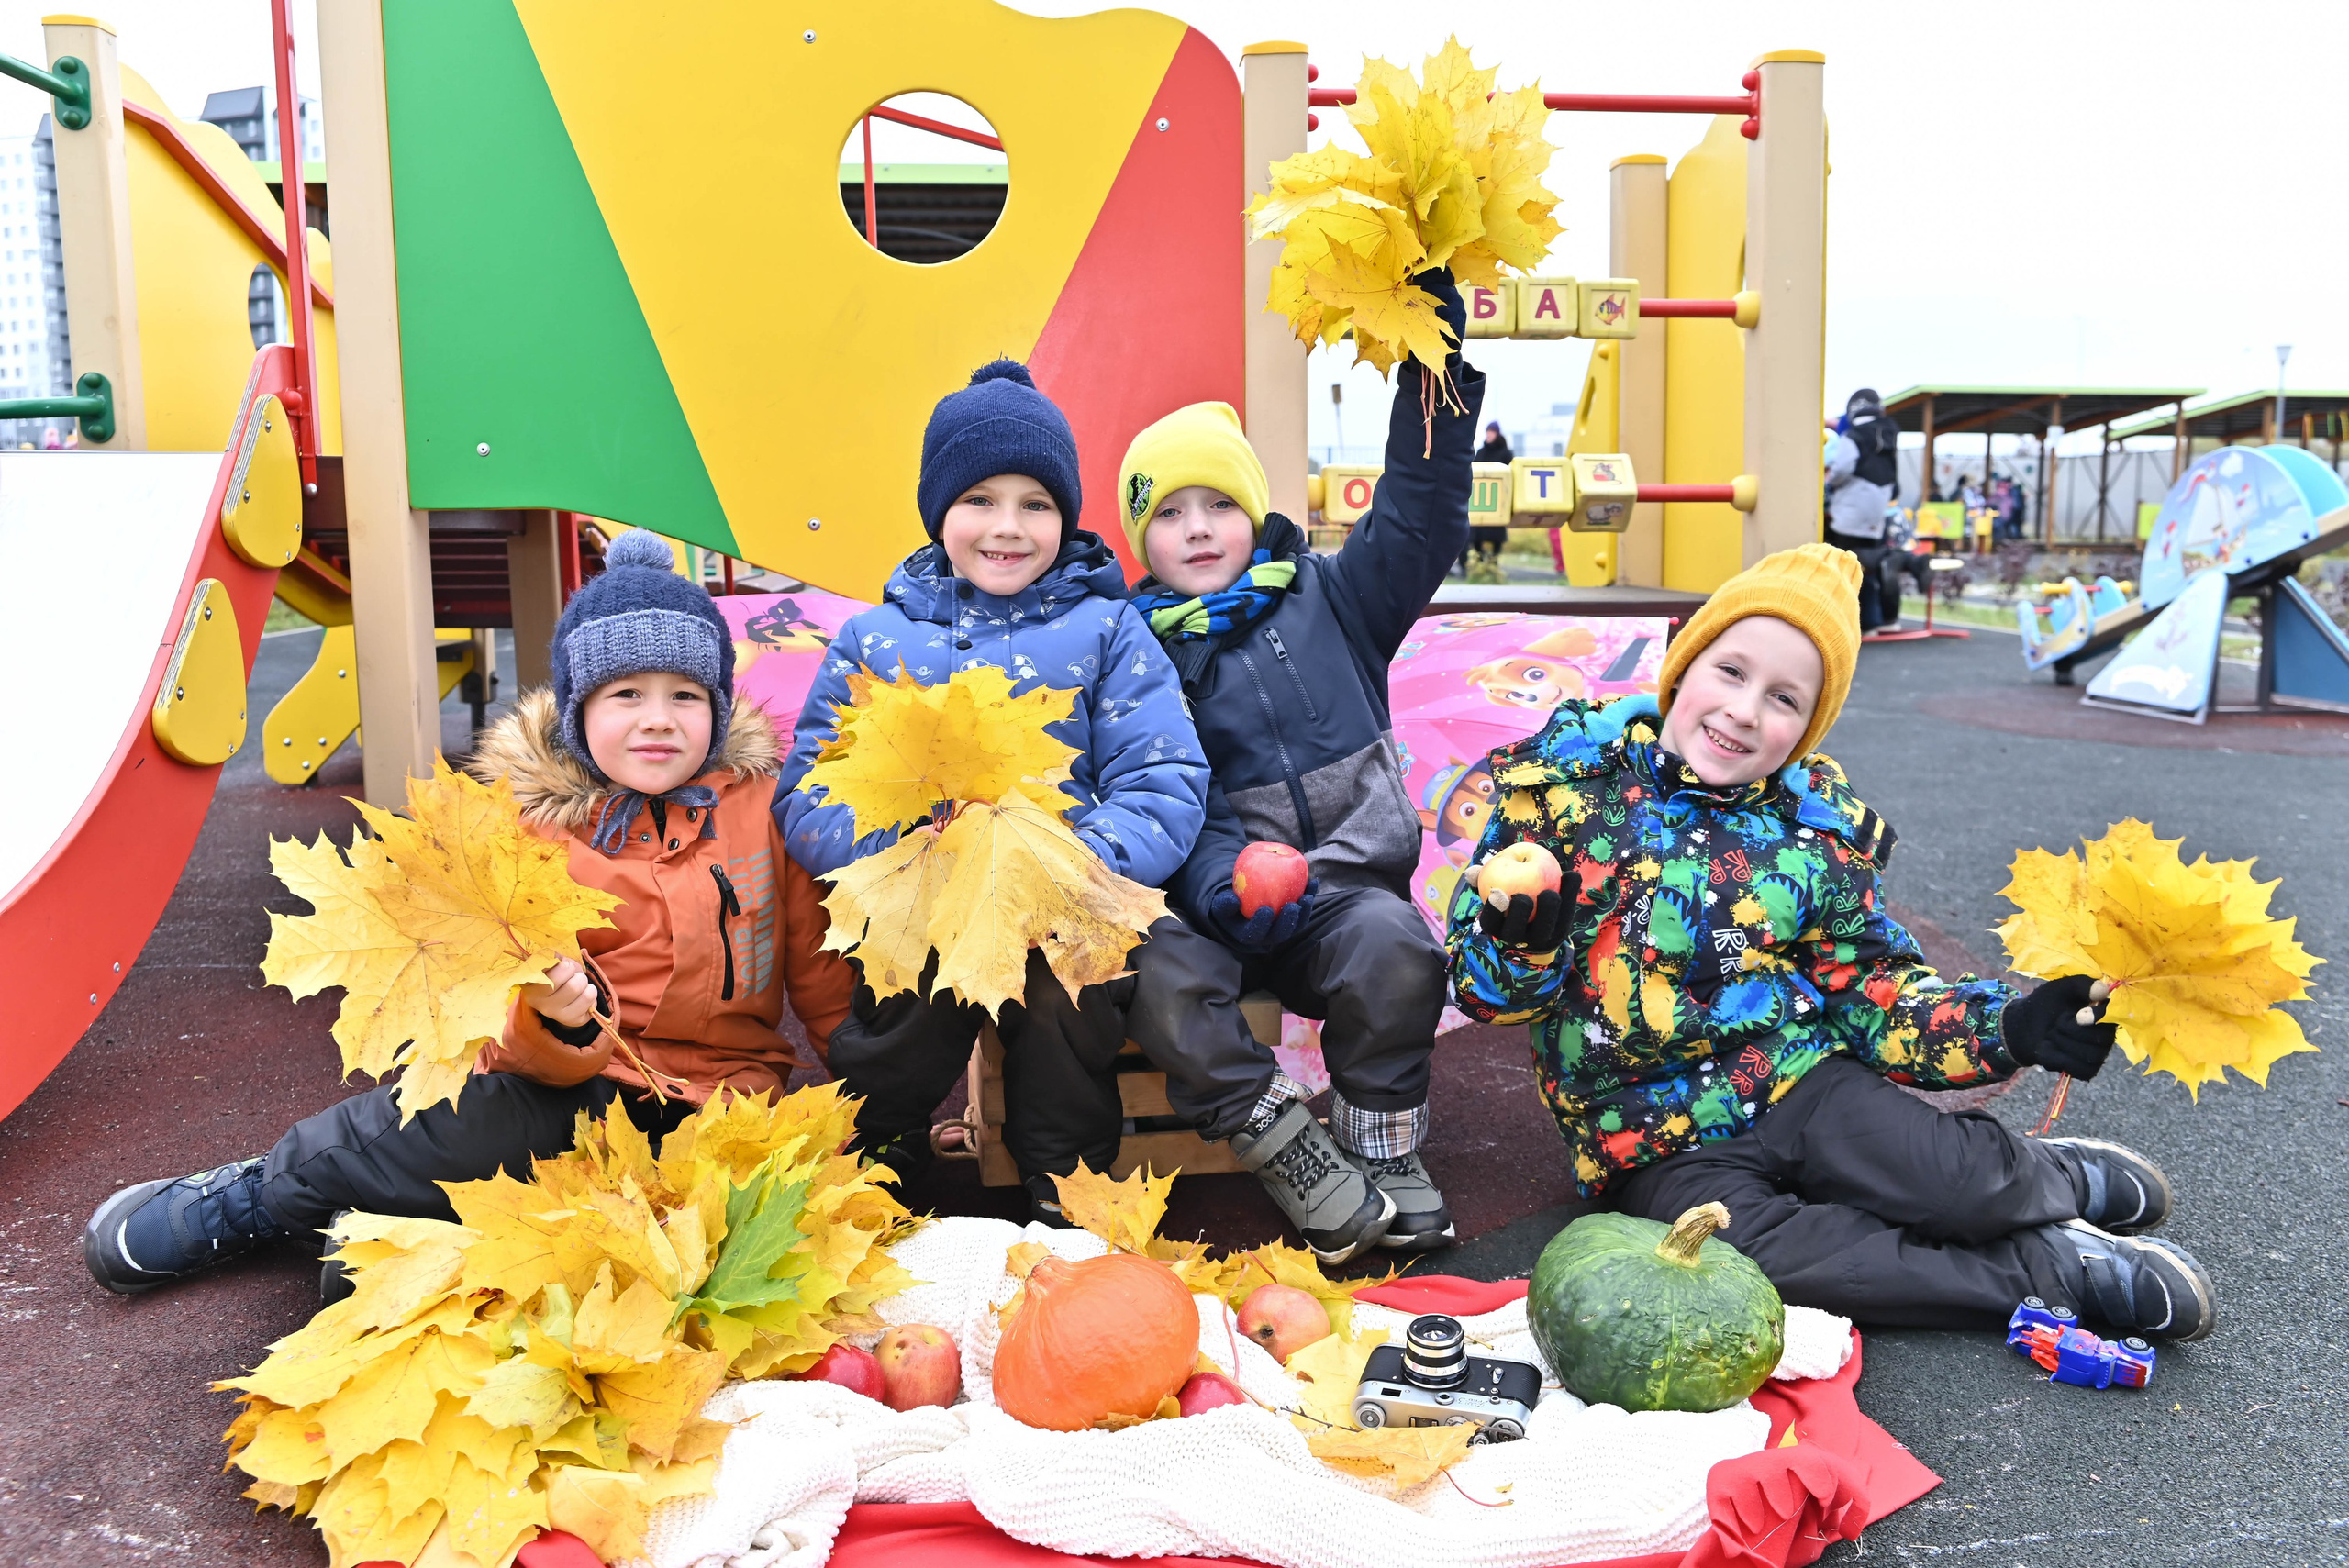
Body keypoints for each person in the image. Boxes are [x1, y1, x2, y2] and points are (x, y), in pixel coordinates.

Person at [1446, 544, 2214, 1340]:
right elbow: (1481, 992)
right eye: (1731, 671)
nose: (1745, 710)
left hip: (1797, 1083)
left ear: (1808, 728)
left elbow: (1874, 991)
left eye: (1784, 698)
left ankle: (2045, 1177)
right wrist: (1518, 946)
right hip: (1646, 1137)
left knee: (1958, 1181)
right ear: (1682, 668)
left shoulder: (1816, 836)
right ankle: (2046, 1269)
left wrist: (2009, 1028)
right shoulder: (1562, 796)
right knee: (1789, 1266)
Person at [84, 529, 856, 1296]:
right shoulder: (527, 832)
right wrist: (563, 1020)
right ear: (578, 711)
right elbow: (491, 1030)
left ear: (718, 711)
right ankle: (266, 1191)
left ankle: (387, 1242)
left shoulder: (761, 811)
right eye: (627, 695)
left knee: (675, 1243)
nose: (658, 719)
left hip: (725, 1101)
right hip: (572, 1083)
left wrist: (869, 1095)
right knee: (453, 1125)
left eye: (685, 696)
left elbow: (820, 967)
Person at [777, 360, 1208, 1226]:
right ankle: (883, 1137)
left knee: (1065, 991)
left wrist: (1072, 859)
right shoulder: (875, 639)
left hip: (1064, 894)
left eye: (1036, 504)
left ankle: (1065, 1176)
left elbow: (1163, 774)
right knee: (909, 980)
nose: (1007, 527)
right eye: (980, 499)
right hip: (924, 891)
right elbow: (810, 792)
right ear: (940, 510)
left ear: (1064, 517)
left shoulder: (1106, 628)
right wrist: (903, 853)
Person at [1116, 270, 1483, 1262]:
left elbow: (1420, 511)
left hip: (1337, 894)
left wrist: (1431, 375)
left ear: (1253, 511)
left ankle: (1380, 1146)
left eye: (1218, 503)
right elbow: (1159, 793)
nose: (1197, 526)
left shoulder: (1337, 598)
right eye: (1167, 511)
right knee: (1155, 971)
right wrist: (1220, 880)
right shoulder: (1134, 649)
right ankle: (1286, 1143)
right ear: (1140, 537)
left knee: (1397, 948)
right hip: (1215, 904)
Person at [1824, 389, 1898, 631]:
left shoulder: (1853, 437)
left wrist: (1829, 480)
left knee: (1845, 563)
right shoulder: (1888, 438)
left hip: (1849, 512)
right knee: (1871, 564)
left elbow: (1841, 470)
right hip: (1876, 513)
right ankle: (1880, 619)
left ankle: (1859, 621)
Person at [1464, 419, 1513, 574]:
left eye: (1492, 432)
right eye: (1488, 431)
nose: (1489, 435)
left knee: (1496, 534)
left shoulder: (1506, 453)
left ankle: (1494, 563)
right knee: (1476, 533)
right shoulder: (1481, 452)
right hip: (1481, 498)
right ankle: (1481, 562)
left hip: (1498, 499)